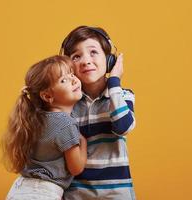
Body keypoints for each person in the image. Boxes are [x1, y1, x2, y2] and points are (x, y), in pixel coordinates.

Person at [59, 26, 136, 199]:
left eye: (93, 52)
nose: (86, 61)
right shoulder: (66, 103)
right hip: (75, 193)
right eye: (76, 56)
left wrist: (114, 82)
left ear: (110, 60)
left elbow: (123, 127)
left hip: (116, 193)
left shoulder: (122, 95)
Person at [2, 55, 87, 200]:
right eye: (64, 80)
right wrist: (83, 142)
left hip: (19, 188)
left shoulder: (34, 118)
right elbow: (76, 168)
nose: (73, 79)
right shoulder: (65, 123)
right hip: (42, 193)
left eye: (71, 74)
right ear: (47, 96)